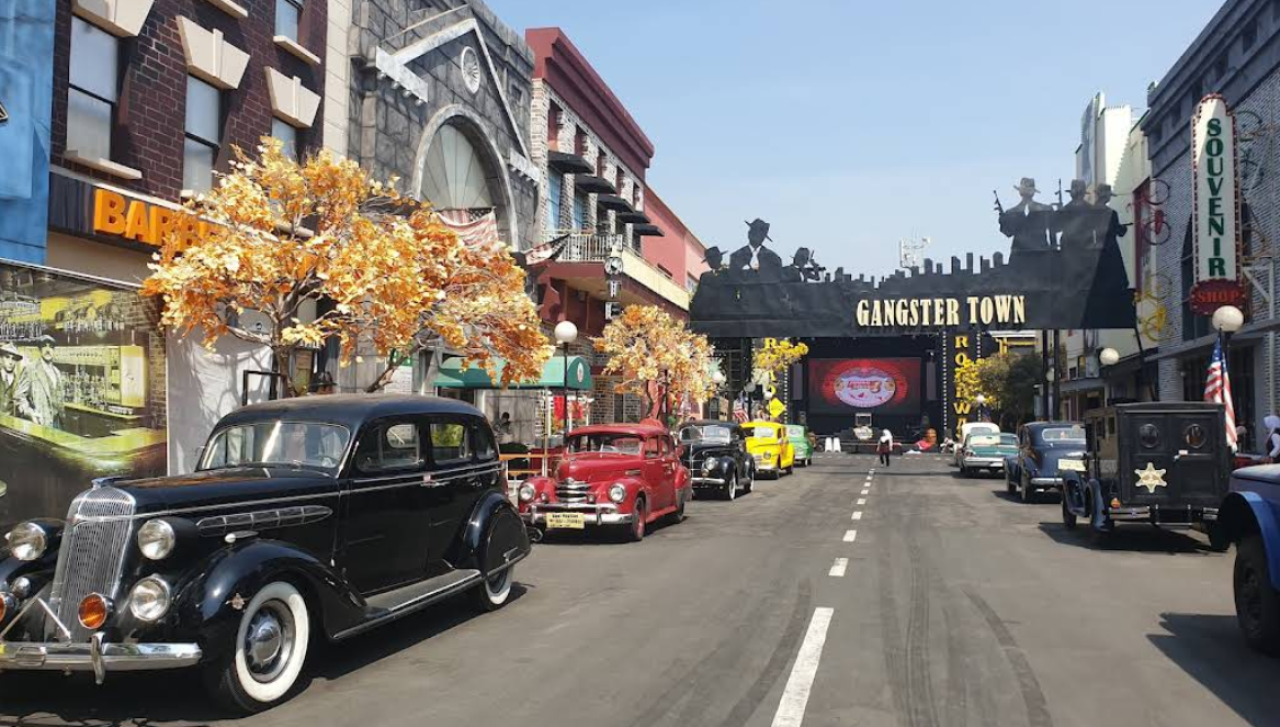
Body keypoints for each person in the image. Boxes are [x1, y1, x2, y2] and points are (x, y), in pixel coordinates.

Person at [998, 178, 1054, 263]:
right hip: (1020, 258)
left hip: (1040, 257)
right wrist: (1003, 220)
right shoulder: (1011, 212)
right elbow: (1008, 232)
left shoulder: (1045, 209)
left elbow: (1053, 229)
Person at [16, 335, 64, 429]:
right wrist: (30, 413)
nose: (47, 350)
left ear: (54, 351)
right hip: (39, 422)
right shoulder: (31, 369)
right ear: (39, 350)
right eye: (44, 346)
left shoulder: (57, 372)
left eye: (51, 347)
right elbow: (18, 396)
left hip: (57, 423)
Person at [0, 342, 22, 416]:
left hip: (11, 424)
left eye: (13, 359)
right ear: (1, 358)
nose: (10, 362)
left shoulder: (19, 382)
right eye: (7, 357)